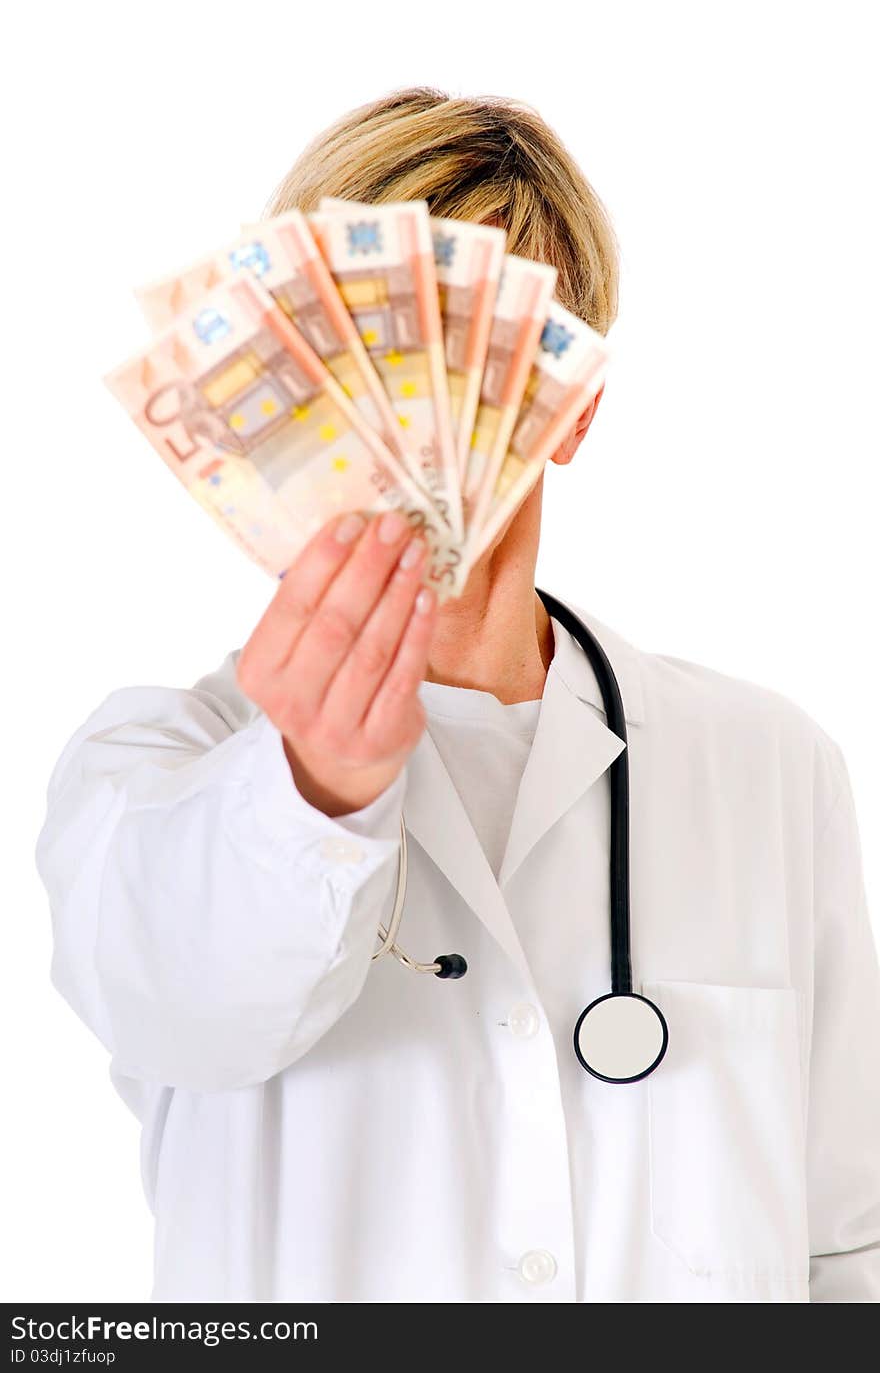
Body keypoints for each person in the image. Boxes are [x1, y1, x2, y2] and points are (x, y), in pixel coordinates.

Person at [36, 88, 880, 1303]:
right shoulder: (154, 760)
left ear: (576, 402)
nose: (414, 406)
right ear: (282, 373)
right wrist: (315, 787)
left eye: (477, 349)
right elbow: (185, 1010)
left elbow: (844, 1239)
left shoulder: (767, 761)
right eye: (371, 348)